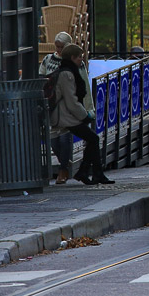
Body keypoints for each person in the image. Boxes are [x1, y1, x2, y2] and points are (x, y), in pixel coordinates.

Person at [54, 44, 113, 185]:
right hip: (66, 117)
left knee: (92, 139)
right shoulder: (67, 74)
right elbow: (71, 101)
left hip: (68, 115)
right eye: (79, 56)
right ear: (72, 57)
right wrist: (84, 116)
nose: (82, 59)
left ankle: (87, 172)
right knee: (93, 138)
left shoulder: (69, 70)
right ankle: (90, 173)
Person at [40, 32, 73, 184]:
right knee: (53, 139)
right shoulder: (48, 59)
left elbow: (82, 81)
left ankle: (63, 169)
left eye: (62, 47)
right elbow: (40, 76)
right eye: (57, 47)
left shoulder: (73, 60)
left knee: (65, 136)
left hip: (67, 104)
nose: (59, 50)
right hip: (52, 104)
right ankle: (65, 165)